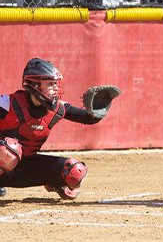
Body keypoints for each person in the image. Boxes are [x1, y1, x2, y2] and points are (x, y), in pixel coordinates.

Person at [0, 58, 117, 200]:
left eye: (55, 84)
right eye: (50, 83)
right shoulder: (8, 104)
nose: (55, 88)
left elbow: (87, 118)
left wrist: (98, 109)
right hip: (4, 164)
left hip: (24, 168)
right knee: (9, 149)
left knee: (74, 170)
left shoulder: (58, 108)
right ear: (34, 84)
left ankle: (55, 182)